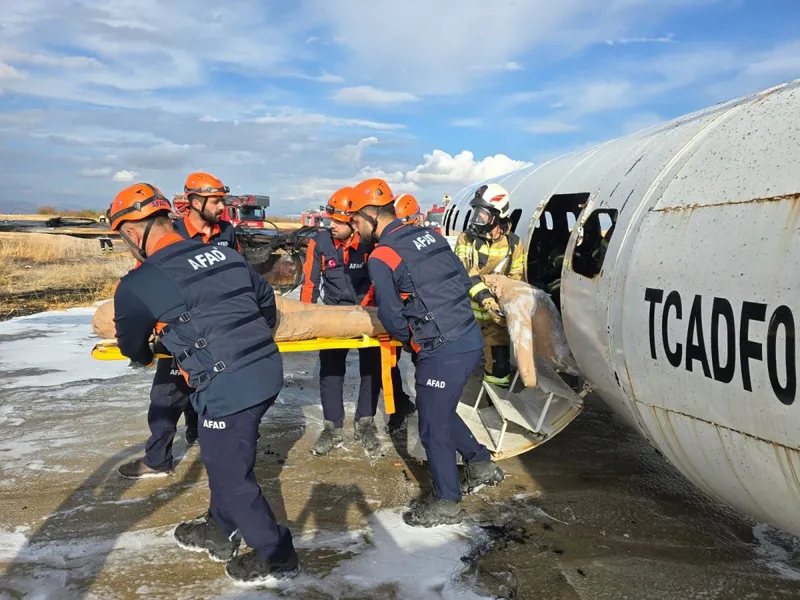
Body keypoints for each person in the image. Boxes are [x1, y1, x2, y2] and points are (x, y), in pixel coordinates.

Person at [110, 182, 298, 584]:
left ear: (132, 232)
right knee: (221, 456)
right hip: (266, 369)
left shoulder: (139, 283)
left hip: (230, 386)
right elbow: (266, 303)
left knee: (231, 474)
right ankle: (218, 526)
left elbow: (132, 346)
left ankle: (275, 554)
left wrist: (149, 353)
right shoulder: (225, 254)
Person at [347, 178, 505, 527]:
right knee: (441, 410)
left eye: (355, 221)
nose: (354, 229)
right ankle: (480, 464)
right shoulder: (430, 236)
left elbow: (391, 316)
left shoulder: (382, 256)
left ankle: (447, 502)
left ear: (371, 215)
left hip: (441, 347)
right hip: (468, 337)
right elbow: (462, 279)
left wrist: (413, 343)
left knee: (432, 425)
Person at [116, 172, 242, 479]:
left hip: (213, 329)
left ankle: (203, 438)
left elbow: (233, 269)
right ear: (195, 202)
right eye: (216, 201)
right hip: (178, 328)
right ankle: (158, 458)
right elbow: (147, 279)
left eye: (222, 200)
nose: (221, 207)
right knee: (167, 396)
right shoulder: (173, 232)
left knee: (211, 392)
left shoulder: (227, 231)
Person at [300, 187, 414, 454]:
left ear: (354, 221)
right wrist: (307, 318)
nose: (332, 225)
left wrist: (370, 313)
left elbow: (380, 281)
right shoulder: (321, 243)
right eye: (330, 219)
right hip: (333, 315)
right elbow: (310, 284)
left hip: (367, 315)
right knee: (330, 370)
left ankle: (365, 424)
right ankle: (332, 428)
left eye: (338, 221)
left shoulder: (370, 243)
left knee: (371, 369)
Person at [454, 183, 524, 388]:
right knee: (457, 366)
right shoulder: (466, 239)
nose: (477, 217)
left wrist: (505, 307)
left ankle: (494, 400)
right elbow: (466, 274)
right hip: (467, 317)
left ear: (497, 215)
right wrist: (487, 300)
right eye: (476, 212)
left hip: (496, 322)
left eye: (482, 213)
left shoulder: (514, 244)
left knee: (499, 370)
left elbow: (516, 280)